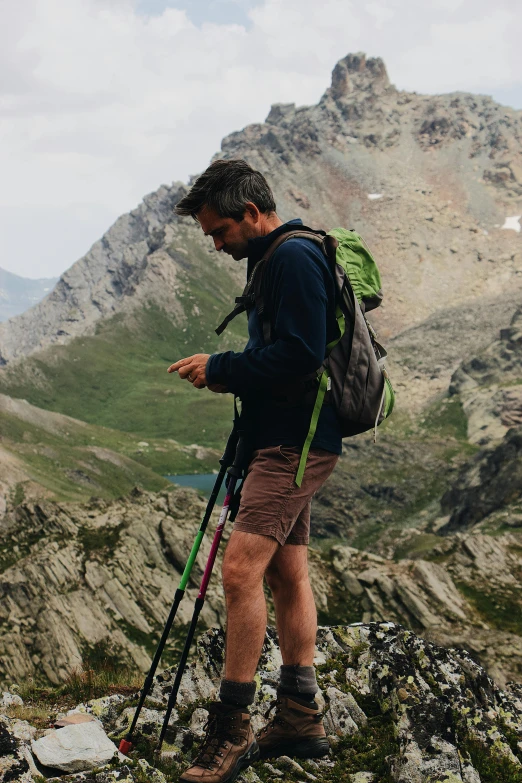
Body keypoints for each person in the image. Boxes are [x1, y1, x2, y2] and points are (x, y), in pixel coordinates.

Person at [168, 159, 342, 783]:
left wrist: (222, 370)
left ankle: (232, 729)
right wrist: (227, 369)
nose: (215, 245)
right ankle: (300, 714)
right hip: (283, 437)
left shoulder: (292, 257)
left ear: (251, 213)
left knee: (239, 570)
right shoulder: (270, 257)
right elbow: (281, 348)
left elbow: (299, 353)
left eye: (219, 232)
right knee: (287, 571)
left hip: (293, 445)